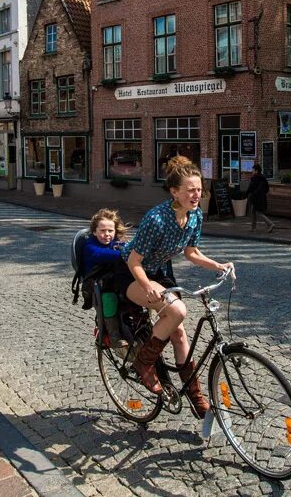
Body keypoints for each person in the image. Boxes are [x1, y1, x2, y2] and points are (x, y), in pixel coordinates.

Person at [117, 155, 233, 418]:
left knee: (180, 335)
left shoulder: (195, 216)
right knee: (178, 310)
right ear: (174, 192)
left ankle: (195, 398)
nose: (196, 195)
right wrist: (147, 286)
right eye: (190, 190)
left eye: (199, 189)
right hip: (131, 273)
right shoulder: (156, 219)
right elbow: (134, 260)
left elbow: (192, 253)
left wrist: (218, 265)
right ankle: (143, 363)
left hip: (160, 271)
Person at [82, 209, 129, 348]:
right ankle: (113, 336)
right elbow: (100, 254)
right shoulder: (90, 246)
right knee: (109, 299)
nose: (107, 234)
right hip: (98, 285)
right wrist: (125, 254)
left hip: (116, 281)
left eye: (110, 230)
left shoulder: (117, 243)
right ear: (94, 231)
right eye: (102, 230)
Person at [246, 164, 274, 232]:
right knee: (253, 212)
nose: (252, 172)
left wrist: (246, 194)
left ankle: (270, 224)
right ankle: (253, 227)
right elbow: (267, 188)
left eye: (253, 170)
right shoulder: (263, 178)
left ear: (256, 171)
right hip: (261, 197)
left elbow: (251, 188)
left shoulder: (255, 178)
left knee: (258, 212)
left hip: (255, 197)